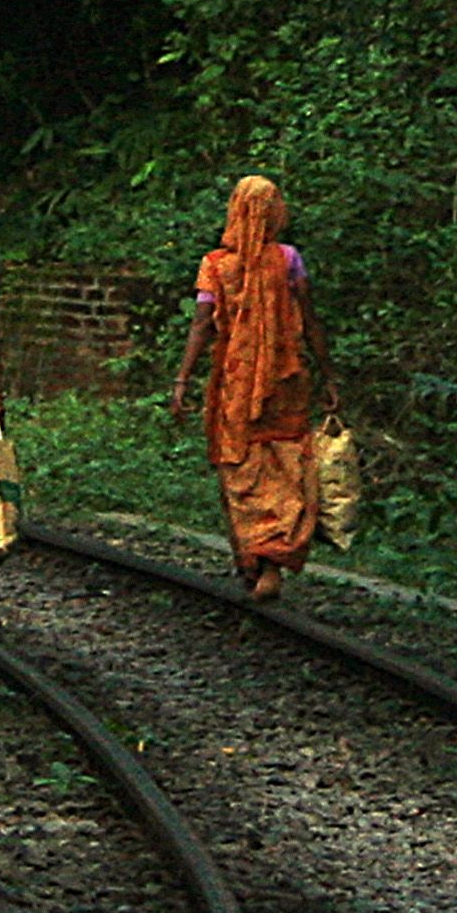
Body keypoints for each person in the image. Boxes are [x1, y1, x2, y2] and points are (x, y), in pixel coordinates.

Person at [171, 174, 325, 602]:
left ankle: (251, 555)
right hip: (287, 381)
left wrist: (182, 379)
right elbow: (311, 321)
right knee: (287, 466)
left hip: (235, 387)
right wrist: (329, 376)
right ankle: (272, 559)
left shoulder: (215, 266)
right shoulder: (290, 260)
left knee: (239, 468)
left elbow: (202, 326)